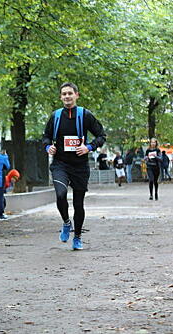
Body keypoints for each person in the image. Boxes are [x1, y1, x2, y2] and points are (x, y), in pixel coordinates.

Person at [42, 82, 106, 250]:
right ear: (60, 97)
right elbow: (46, 137)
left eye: (70, 93)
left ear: (76, 95)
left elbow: (101, 135)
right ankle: (65, 222)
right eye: (64, 94)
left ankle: (77, 236)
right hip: (60, 164)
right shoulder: (55, 116)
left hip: (79, 166)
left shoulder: (85, 115)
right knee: (61, 194)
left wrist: (89, 147)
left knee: (79, 204)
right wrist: (49, 147)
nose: (67, 96)